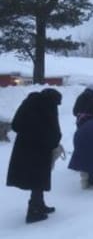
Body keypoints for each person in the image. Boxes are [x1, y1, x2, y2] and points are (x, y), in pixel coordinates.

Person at [6, 88, 63, 223]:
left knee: (36, 178)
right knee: (38, 179)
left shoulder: (29, 103)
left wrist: (30, 133)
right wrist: (52, 141)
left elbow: (15, 125)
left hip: (23, 147)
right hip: (40, 148)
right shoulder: (49, 106)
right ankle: (33, 211)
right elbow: (54, 130)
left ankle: (39, 205)